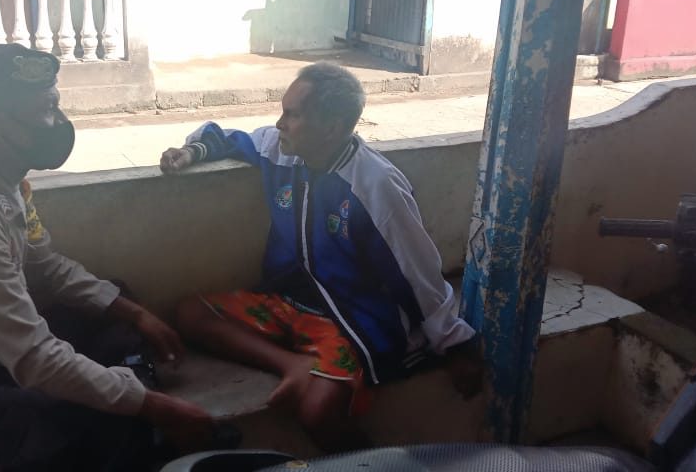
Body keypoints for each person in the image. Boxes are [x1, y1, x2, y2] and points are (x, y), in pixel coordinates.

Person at [0, 44, 212, 471]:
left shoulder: (1, 180)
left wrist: (135, 314)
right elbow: (33, 358)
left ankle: (128, 392)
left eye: (56, 104)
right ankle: (134, 404)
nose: (58, 122)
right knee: (99, 427)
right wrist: (154, 407)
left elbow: (44, 267)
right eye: (45, 110)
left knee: (114, 301)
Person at [160, 62, 480, 452]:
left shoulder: (375, 186)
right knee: (191, 313)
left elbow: (416, 271)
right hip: (287, 302)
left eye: (292, 115)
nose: (279, 123)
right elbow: (227, 138)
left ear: (331, 127)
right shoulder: (280, 151)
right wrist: (190, 152)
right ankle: (291, 365)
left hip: (348, 319)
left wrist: (453, 344)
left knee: (317, 412)